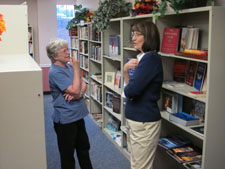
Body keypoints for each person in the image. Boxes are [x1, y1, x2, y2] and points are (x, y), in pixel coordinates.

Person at [46, 38, 93, 169]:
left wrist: (78, 94)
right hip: (65, 120)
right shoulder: (55, 72)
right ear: (55, 56)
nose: (68, 52)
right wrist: (77, 70)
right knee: (67, 155)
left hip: (78, 115)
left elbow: (83, 84)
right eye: (64, 51)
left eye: (67, 49)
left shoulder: (67, 66)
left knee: (84, 149)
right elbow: (77, 87)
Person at [123, 21, 163, 169]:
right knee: (136, 163)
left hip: (144, 120)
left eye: (138, 34)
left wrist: (129, 87)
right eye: (133, 34)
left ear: (149, 37)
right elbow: (129, 91)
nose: (133, 37)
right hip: (136, 118)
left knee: (140, 166)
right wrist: (126, 71)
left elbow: (130, 91)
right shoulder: (141, 58)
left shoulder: (150, 59)